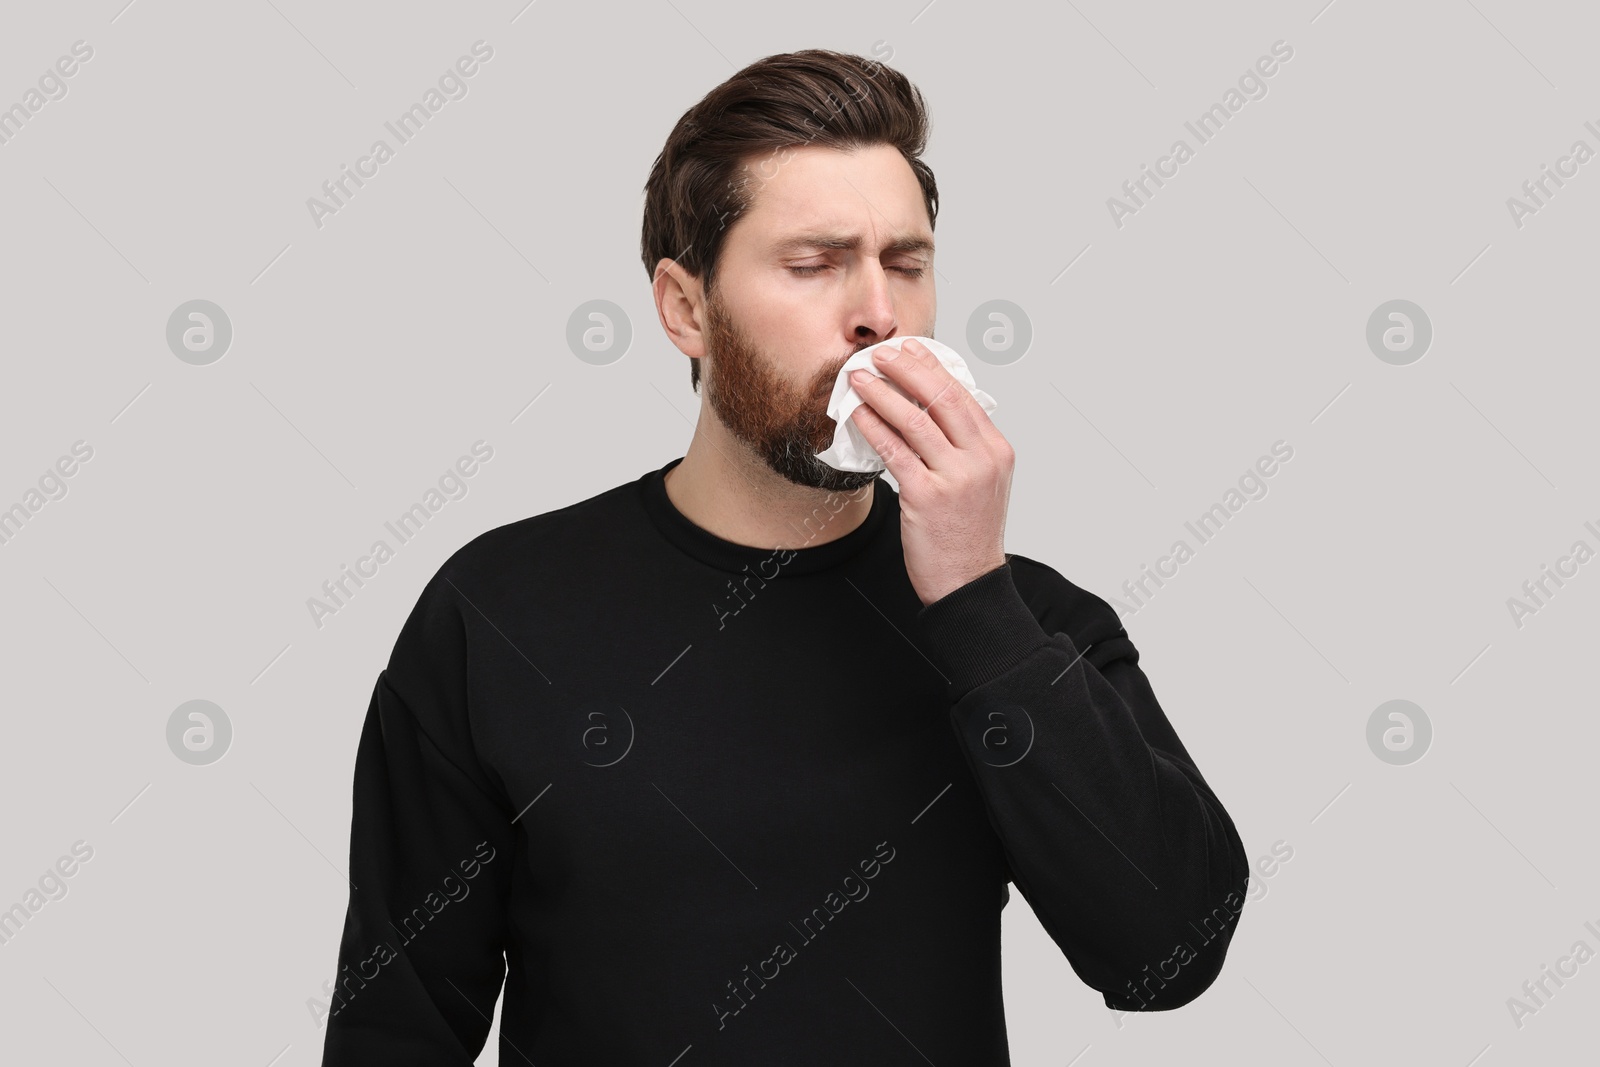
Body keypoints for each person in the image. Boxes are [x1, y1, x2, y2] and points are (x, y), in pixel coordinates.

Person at [320, 48, 1249, 1066]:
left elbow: (1168, 957)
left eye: (905, 262)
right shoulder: (497, 610)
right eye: (812, 265)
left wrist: (975, 603)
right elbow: (395, 1027)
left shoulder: (1025, 621)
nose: (878, 314)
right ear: (685, 309)